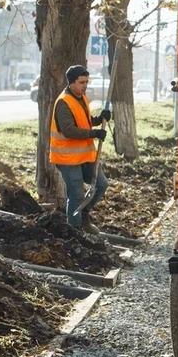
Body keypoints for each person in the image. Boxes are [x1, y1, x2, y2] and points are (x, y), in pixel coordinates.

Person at [50, 65, 111, 234]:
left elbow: (85, 121)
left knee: (101, 184)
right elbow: (69, 130)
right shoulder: (63, 103)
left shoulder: (81, 98)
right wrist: (94, 133)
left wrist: (99, 119)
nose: (85, 86)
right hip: (67, 159)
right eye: (81, 82)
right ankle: (75, 230)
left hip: (84, 155)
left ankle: (83, 214)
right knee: (76, 194)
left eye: (87, 82)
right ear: (71, 83)